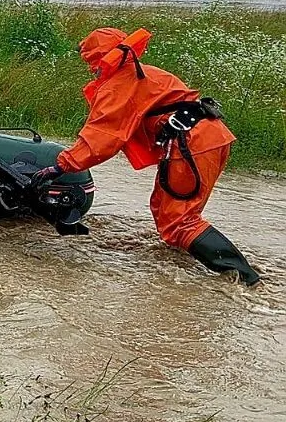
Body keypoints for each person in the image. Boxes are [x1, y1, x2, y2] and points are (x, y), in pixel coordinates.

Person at [30, 27, 260, 286]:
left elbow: (102, 138)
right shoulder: (146, 73)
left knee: (180, 221)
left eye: (91, 62)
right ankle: (180, 261)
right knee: (164, 209)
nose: (91, 68)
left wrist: (60, 166)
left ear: (100, 58)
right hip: (210, 138)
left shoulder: (119, 85)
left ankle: (247, 280)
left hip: (192, 145)